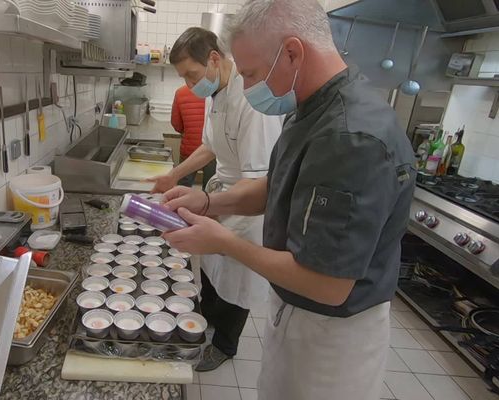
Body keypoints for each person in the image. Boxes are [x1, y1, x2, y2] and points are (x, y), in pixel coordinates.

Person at [160, 1, 416, 399]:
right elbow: (275, 186)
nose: (246, 88)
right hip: (299, 313)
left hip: (331, 335)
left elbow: (328, 285)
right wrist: (208, 203)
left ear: (293, 52)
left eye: (251, 74)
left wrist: (223, 241)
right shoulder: (312, 108)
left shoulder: (349, 138)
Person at [150, 27, 284, 372]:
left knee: (236, 278)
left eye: (192, 75)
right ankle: (208, 318)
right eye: (184, 79)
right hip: (223, 192)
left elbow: (259, 180)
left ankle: (225, 344)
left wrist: (209, 204)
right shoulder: (217, 93)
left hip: (248, 204)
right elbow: (209, 146)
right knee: (212, 267)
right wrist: (174, 175)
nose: (191, 86)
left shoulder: (253, 100)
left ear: (213, 58)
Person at [170, 85, 215, 188]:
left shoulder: (180, 92)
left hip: (189, 150)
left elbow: (176, 124)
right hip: (212, 151)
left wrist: (188, 131)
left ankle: (180, 204)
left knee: (182, 187)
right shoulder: (215, 91)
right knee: (210, 190)